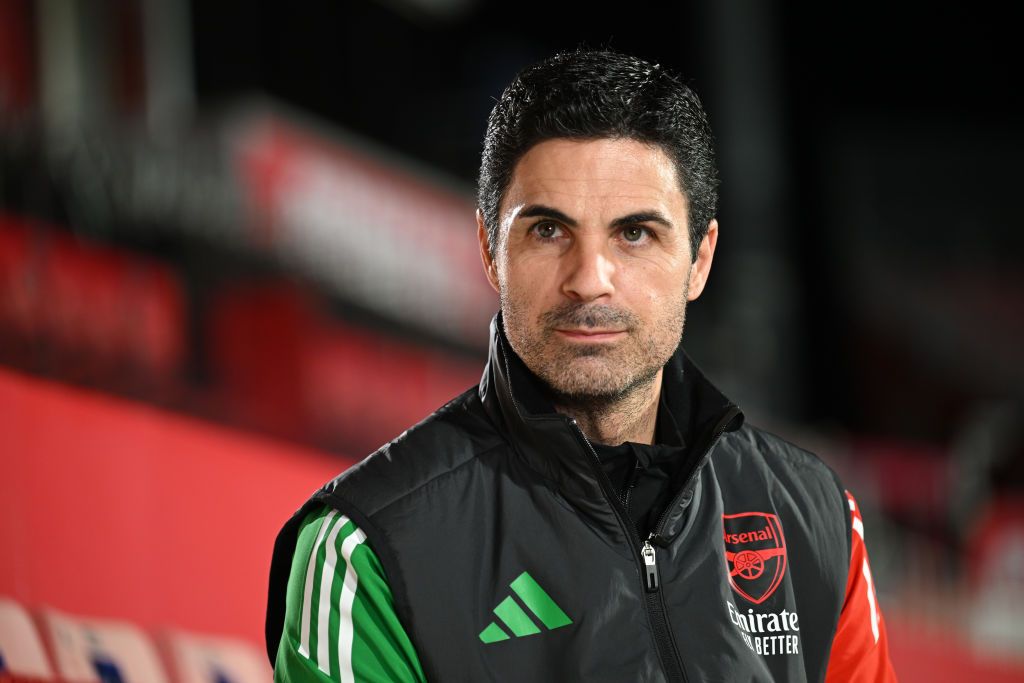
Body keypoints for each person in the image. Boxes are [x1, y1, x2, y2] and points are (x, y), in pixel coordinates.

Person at [265, 49, 897, 682]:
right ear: (490, 250)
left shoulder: (814, 515)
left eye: (635, 234)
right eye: (548, 231)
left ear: (701, 258)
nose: (590, 280)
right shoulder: (368, 550)